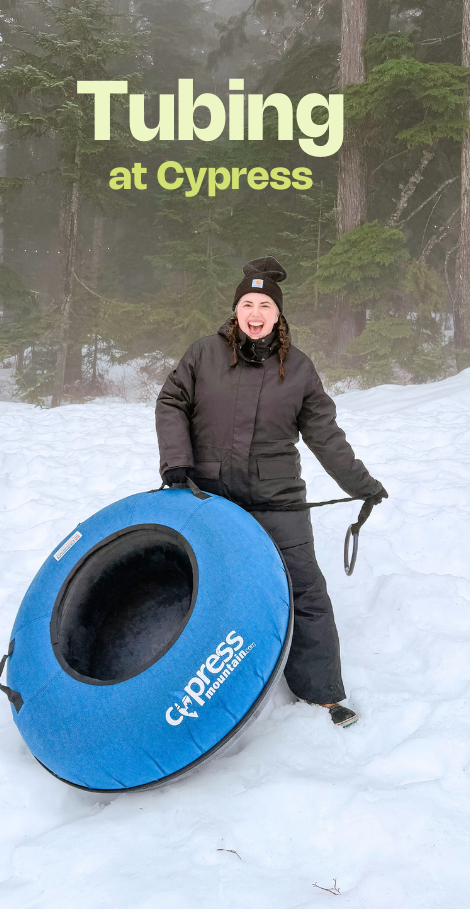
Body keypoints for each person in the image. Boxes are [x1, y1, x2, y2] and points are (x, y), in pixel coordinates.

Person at [155, 257, 387, 728]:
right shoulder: (203, 354)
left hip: (278, 498)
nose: (255, 312)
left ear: (278, 314)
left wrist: (361, 485)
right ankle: (184, 692)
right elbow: (171, 401)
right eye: (247, 303)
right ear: (235, 310)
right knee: (202, 587)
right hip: (208, 495)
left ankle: (322, 692)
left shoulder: (299, 369)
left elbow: (325, 435)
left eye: (265, 304)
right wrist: (177, 463)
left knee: (305, 591)